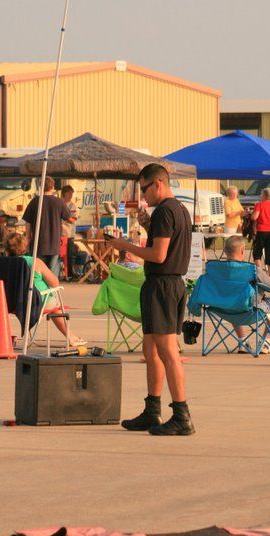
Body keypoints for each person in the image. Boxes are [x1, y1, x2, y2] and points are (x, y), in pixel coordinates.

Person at [108, 163, 194, 436]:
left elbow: (159, 255)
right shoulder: (179, 209)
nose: (143, 196)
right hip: (167, 284)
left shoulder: (166, 211)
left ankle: (181, 415)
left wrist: (126, 246)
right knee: (151, 349)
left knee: (167, 351)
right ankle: (152, 409)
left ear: (159, 183)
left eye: (145, 189)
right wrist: (148, 225)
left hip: (163, 284)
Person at [3, 232, 86, 346]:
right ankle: (71, 337)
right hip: (35, 302)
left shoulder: (4, 263)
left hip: (12, 303)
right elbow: (55, 283)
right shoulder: (34, 262)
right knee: (55, 304)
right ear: (24, 246)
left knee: (52, 301)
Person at [23, 176, 70, 278]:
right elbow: (67, 217)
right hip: (54, 243)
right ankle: (52, 288)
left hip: (38, 243)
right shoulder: (59, 202)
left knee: (38, 273)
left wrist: (28, 237)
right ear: (53, 187)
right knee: (52, 274)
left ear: (40, 186)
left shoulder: (35, 201)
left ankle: (40, 288)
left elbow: (28, 222)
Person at [251, 187, 270, 278]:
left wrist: (251, 214)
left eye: (261, 194)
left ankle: (261, 274)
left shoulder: (259, 205)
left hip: (262, 230)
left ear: (264, 195)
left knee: (257, 252)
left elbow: (254, 217)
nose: (260, 196)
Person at [60, 184, 79, 280]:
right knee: (59, 255)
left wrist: (64, 217)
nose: (71, 196)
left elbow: (73, 219)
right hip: (59, 234)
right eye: (69, 194)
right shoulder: (58, 203)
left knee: (70, 254)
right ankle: (61, 273)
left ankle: (70, 273)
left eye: (72, 194)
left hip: (69, 234)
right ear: (64, 194)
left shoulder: (73, 205)